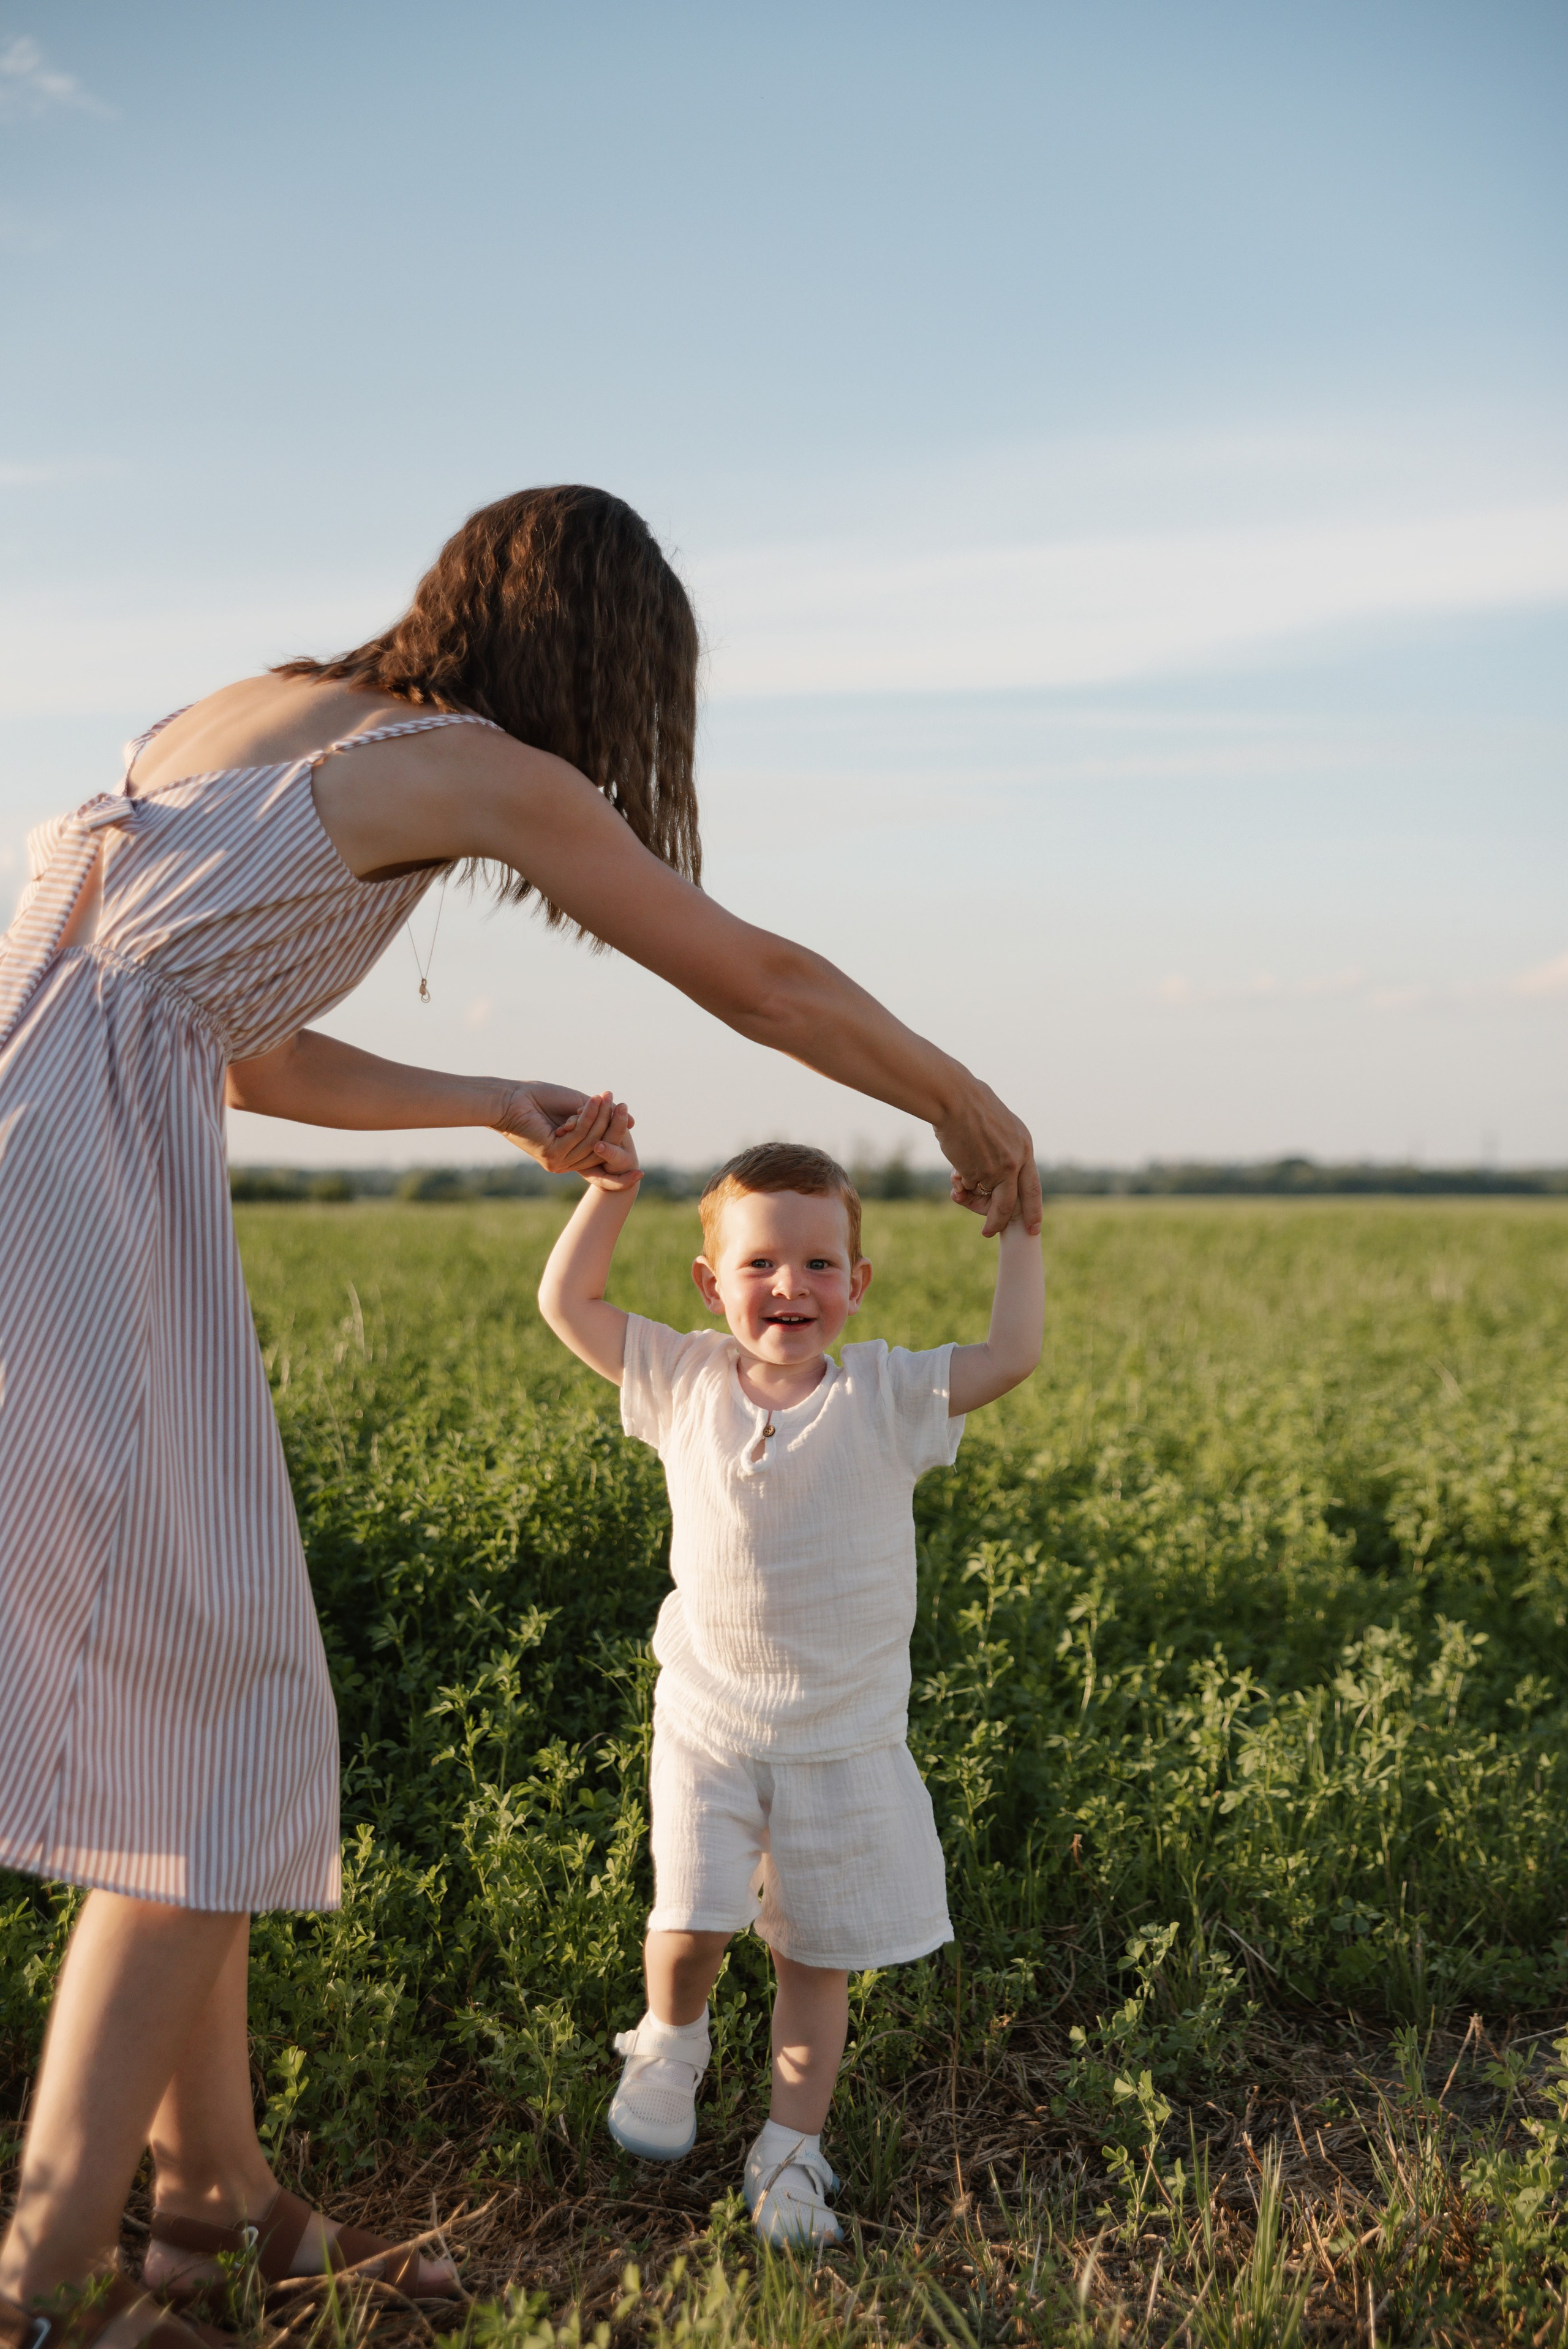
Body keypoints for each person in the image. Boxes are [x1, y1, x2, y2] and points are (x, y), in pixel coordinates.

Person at [0, 485, 1039, 2347]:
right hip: (69, 1201)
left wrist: (490, 1093)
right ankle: (48, 2280)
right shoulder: (470, 762)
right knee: (207, 1722)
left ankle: (209, 2199)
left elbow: (219, 1032)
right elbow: (760, 975)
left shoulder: (238, 716)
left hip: (52, 1160)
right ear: (609, 659)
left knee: (204, 1714)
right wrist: (965, 1102)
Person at [536, 1129, 1044, 2245]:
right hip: (711, 1725)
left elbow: (1009, 1355)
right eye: (761, 1263)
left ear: (857, 1285)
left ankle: (791, 2156)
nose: (790, 1286)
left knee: (814, 1961)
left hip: (844, 1741)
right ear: (711, 1283)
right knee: (691, 1921)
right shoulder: (679, 1378)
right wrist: (610, 1189)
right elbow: (568, 1301)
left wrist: (1020, 1232)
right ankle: (670, 2040)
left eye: (820, 1264)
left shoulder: (888, 1395)